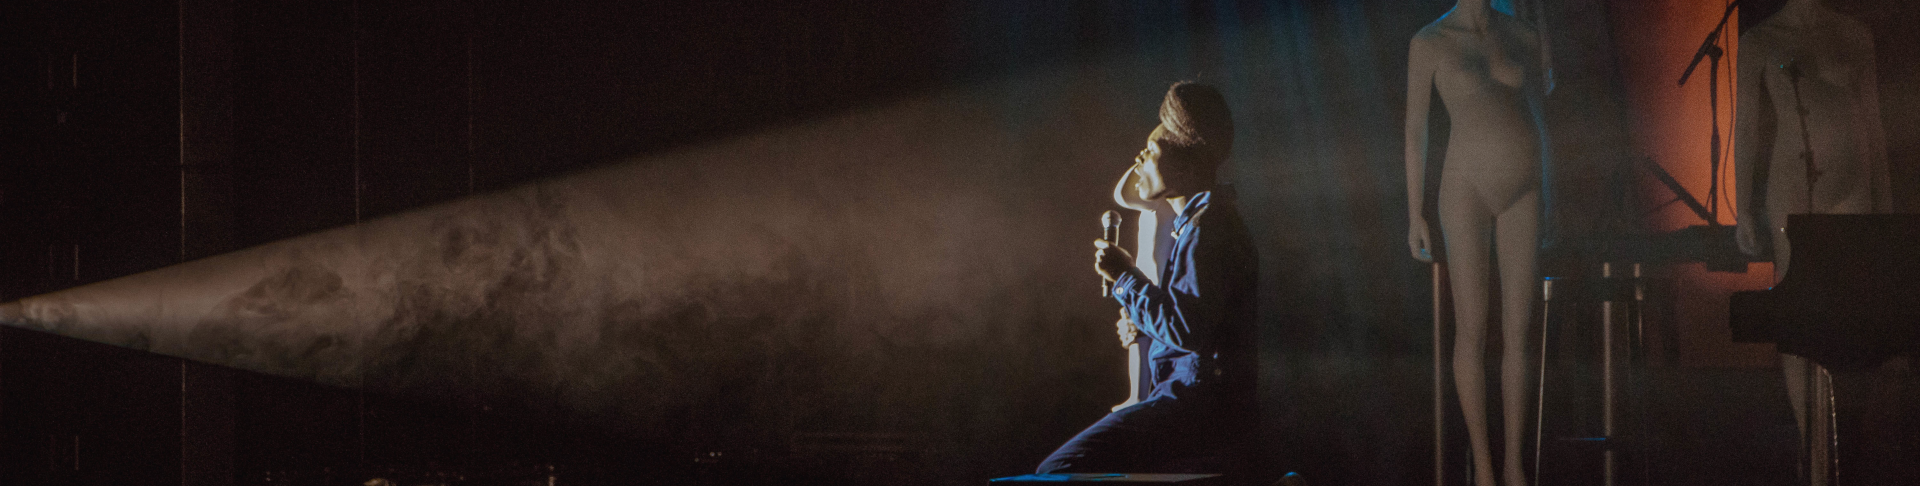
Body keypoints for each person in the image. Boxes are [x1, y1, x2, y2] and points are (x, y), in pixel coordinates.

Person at [1036, 81, 1259, 476]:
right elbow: (1195, 319)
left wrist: (1123, 277)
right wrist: (1142, 322)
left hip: (1194, 401)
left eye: (1153, 150)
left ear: (1186, 164)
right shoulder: (1201, 223)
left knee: (1059, 471)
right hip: (1194, 397)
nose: (1140, 157)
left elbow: (1186, 328)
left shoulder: (1207, 229)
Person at [1733, 0, 1890, 480]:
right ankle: (1812, 447)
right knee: (1798, 313)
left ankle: (1848, 441)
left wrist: (1886, 205)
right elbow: (1746, 128)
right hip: (1793, 186)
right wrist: (1743, 207)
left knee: (1852, 317)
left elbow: (1874, 121)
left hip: (1852, 186)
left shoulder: (1853, 34)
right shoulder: (1758, 41)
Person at [1404, 0, 1552, 484]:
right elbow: (1416, 130)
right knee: (1473, 325)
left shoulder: (1523, 35)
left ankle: (1514, 465)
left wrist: (1554, 191)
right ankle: (1485, 468)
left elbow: (1541, 107)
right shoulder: (1429, 41)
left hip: (1524, 187)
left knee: (1520, 327)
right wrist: (1414, 211)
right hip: (1465, 187)